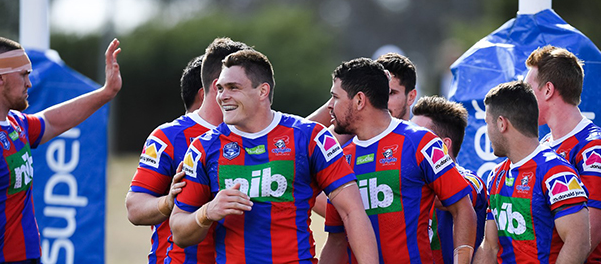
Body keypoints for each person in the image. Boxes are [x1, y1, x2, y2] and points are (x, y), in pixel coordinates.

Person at [169, 50, 378, 263]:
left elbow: (353, 212)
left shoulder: (309, 137)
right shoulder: (203, 148)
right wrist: (207, 212)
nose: (223, 96)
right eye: (220, 88)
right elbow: (178, 231)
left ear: (262, 91)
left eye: (234, 87)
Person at [0, 36, 123, 264]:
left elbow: (52, 121)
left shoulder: (13, 123)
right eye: (23, 74)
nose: (29, 83)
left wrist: (106, 93)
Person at [320, 58, 475, 264]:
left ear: (359, 100)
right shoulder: (342, 158)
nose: (330, 106)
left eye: (335, 97)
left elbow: (463, 208)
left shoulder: (421, 142)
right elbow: (336, 240)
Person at [125, 38, 251, 264]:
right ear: (218, 86)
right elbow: (134, 209)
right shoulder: (169, 137)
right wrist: (169, 201)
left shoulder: (253, 134)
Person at [524, 45, 601, 263]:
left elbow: (590, 233)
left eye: (528, 89)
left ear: (548, 90)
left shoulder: (597, 149)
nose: (523, 100)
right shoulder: (544, 145)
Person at [475, 80, 590, 264]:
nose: (487, 132)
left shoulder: (556, 172)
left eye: (487, 123)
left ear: (501, 123)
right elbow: (489, 246)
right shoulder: (496, 176)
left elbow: (579, 242)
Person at [308, 52, 419, 217]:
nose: (382, 100)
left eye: (390, 93)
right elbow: (300, 143)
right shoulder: (349, 138)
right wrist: (353, 218)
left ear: (411, 97)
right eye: (378, 92)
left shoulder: (421, 138)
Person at [410, 96, 488, 264]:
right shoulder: (413, 179)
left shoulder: (472, 181)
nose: (410, 142)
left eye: (419, 136)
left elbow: (455, 193)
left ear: (443, 146)